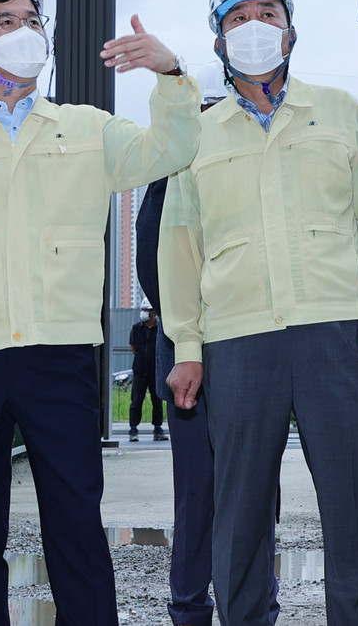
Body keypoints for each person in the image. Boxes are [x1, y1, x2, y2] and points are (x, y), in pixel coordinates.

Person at [0, 0, 200, 626]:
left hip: (60, 359)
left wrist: (171, 75)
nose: (23, 32)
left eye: (32, 20)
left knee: (75, 526)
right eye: (3, 21)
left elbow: (173, 146)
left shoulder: (87, 128)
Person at [160, 0, 358, 626]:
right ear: (218, 42)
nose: (254, 29)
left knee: (354, 505)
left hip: (332, 332)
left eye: (267, 14)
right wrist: (187, 344)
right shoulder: (197, 136)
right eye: (237, 18)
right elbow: (178, 247)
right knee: (238, 510)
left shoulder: (338, 112)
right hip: (236, 340)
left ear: (290, 33)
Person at [137, 62, 282, 626]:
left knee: (257, 487)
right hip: (190, 353)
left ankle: (257, 600)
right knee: (200, 490)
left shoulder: (244, 168)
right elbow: (155, 266)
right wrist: (195, 324)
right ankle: (191, 605)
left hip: (255, 345)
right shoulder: (173, 172)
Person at [128, 303, 166, 442]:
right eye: (143, 310)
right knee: (136, 400)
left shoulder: (160, 329)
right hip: (139, 370)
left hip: (155, 370)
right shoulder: (136, 328)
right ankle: (133, 428)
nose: (144, 313)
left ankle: (158, 428)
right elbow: (133, 346)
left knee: (157, 401)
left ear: (154, 313)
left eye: (147, 310)